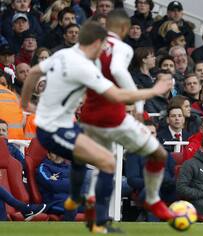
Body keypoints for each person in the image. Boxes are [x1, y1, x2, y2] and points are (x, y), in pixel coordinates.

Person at [20, 21, 173, 233]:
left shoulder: (63, 54)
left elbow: (35, 71)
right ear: (95, 43)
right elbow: (118, 95)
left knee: (103, 160)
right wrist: (155, 90)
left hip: (63, 126)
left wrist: (25, 103)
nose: (104, 51)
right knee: (105, 161)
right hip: (53, 130)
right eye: (103, 46)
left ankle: (90, 213)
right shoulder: (84, 67)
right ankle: (95, 219)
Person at [76, 10, 175, 230]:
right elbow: (117, 70)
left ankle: (96, 216)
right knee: (158, 154)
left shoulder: (87, 46)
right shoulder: (122, 47)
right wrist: (139, 105)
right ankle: (152, 198)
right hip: (112, 114)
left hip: (89, 115)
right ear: (124, 28)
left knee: (104, 165)